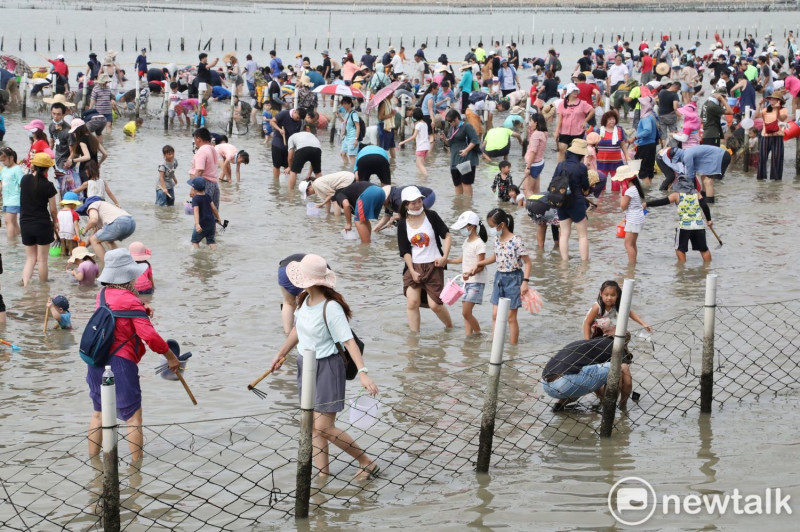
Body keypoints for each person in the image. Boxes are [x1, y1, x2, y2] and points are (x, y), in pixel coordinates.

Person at [268, 254, 379, 480]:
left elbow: (348, 341)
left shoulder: (332, 307)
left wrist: (364, 374)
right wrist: (281, 354)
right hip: (304, 364)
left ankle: (366, 462)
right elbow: (297, 330)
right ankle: (322, 475)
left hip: (328, 367)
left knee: (324, 427)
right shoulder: (303, 301)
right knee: (311, 426)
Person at [87, 248, 181, 462]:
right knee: (133, 418)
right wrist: (170, 357)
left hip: (96, 361)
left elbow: (114, 317)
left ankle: (94, 464)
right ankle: (136, 470)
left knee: (99, 414)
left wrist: (140, 311)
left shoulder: (101, 295)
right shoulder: (130, 300)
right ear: (127, 276)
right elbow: (150, 336)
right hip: (120, 362)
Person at [469, 209, 531, 346]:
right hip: (499, 278)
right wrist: (479, 263)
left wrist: (525, 283)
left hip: (514, 278)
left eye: (492, 227)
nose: (491, 230)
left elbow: (528, 262)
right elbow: (495, 257)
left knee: (510, 317)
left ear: (502, 225)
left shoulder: (516, 240)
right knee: (495, 315)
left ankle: (513, 348)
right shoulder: (497, 240)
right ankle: (496, 343)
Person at [397, 186, 453, 332]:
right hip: (413, 266)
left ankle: (450, 328)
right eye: (413, 202)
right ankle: (414, 339)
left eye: (419, 200)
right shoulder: (403, 223)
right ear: (406, 205)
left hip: (434, 264)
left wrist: (444, 257)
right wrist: (412, 271)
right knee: (412, 302)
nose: (417, 204)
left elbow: (447, 235)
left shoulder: (431, 216)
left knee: (435, 305)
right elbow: (405, 251)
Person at [542, 336, 632, 411]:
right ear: (625, 344)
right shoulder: (616, 346)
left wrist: (601, 397)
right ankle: (609, 408)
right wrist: (623, 404)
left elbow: (593, 378)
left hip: (546, 385)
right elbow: (627, 382)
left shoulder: (591, 344)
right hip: (566, 384)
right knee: (618, 368)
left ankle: (559, 405)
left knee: (580, 372)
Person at [643, 177, 713, 263]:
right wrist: (709, 220)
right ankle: (708, 268)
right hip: (699, 226)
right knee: (703, 249)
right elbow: (705, 207)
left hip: (684, 227)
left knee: (680, 249)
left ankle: (682, 268)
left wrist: (646, 204)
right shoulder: (697, 194)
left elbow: (662, 202)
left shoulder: (676, 195)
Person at [447, 211, 488, 335]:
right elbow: (464, 258)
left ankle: (478, 333)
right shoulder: (466, 242)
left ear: (472, 226)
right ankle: (469, 337)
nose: (462, 230)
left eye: (464, 227)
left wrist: (470, 273)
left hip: (476, 282)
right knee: (466, 313)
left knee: (465, 312)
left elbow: (481, 265)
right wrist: (448, 261)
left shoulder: (479, 244)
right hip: (465, 281)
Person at [552, 139, 590, 261]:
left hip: (561, 201)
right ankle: (584, 264)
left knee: (564, 234)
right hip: (576, 202)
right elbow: (585, 187)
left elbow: (553, 181)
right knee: (582, 236)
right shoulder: (581, 167)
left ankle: (564, 262)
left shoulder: (560, 165)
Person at [583, 280, 651, 340]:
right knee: (607, 322)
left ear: (617, 295)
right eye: (606, 295)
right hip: (592, 328)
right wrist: (587, 341)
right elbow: (587, 323)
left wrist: (643, 324)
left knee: (626, 334)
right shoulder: (597, 307)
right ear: (601, 294)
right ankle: (597, 339)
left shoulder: (617, 305)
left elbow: (630, 313)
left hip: (605, 326)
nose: (609, 298)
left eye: (612, 295)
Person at [78, 196, 136, 261]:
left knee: (94, 240)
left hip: (118, 222)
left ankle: (108, 265)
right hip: (131, 223)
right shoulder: (106, 208)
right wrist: (83, 247)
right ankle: (121, 260)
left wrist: (85, 230)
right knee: (108, 240)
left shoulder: (92, 205)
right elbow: (94, 235)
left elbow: (93, 220)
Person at [611, 166, 645, 265]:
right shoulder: (635, 188)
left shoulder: (629, 191)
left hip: (634, 219)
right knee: (632, 243)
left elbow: (623, 206)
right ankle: (634, 263)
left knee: (628, 244)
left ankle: (631, 265)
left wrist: (623, 193)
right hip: (637, 217)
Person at [442, 110, 480, 196]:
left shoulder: (467, 126)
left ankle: (468, 204)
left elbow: (475, 140)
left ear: (456, 118)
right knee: (457, 184)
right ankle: (459, 205)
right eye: (448, 121)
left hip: (465, 160)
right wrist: (445, 139)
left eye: (451, 121)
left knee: (466, 183)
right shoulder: (452, 128)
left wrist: (466, 150)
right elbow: (449, 143)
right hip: (454, 160)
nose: (450, 123)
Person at [754, 89, 789, 181]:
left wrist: (777, 109)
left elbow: (781, 118)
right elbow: (756, 116)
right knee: (762, 158)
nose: (772, 101)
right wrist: (759, 105)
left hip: (777, 136)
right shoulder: (766, 110)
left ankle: (776, 180)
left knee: (777, 158)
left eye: (774, 100)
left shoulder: (783, 110)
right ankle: (761, 178)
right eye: (771, 99)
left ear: (779, 101)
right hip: (766, 136)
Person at [554, 84, 594, 162]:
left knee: (577, 152)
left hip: (578, 131)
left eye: (576, 91)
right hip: (564, 131)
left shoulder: (582, 103)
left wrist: (585, 121)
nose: (575, 92)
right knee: (562, 150)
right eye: (573, 91)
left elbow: (592, 111)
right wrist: (556, 132)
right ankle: (560, 169)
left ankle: (576, 168)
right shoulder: (562, 104)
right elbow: (560, 120)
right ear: (569, 92)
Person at [67, 119, 108, 185]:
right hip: (95, 168)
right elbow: (105, 154)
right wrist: (99, 163)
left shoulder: (82, 141)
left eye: (74, 132)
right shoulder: (93, 138)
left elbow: (87, 156)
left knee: (86, 191)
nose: (74, 134)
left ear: (78, 130)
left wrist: (73, 160)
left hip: (85, 169)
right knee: (95, 189)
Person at [189, 128, 220, 209]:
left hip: (203, 186)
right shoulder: (212, 149)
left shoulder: (202, 150)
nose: (195, 142)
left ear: (198, 139)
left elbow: (199, 170)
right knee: (212, 215)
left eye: (195, 139)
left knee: (203, 215)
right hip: (214, 185)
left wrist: (193, 188)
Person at [188, 177, 222, 250]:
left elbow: (196, 211)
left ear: (194, 189)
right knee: (211, 241)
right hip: (211, 224)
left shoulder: (195, 198)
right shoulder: (208, 196)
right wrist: (218, 218)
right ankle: (215, 252)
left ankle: (197, 256)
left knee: (195, 241)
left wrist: (197, 224)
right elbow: (214, 208)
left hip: (202, 223)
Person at [633, 96, 658, 185]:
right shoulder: (653, 114)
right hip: (652, 145)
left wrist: (636, 137)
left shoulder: (645, 118)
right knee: (649, 169)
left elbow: (647, 130)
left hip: (645, 145)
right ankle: (650, 190)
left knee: (643, 170)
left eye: (642, 104)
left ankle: (646, 191)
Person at [397, 108, 430, 176]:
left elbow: (413, 136)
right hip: (426, 147)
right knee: (420, 165)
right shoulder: (425, 124)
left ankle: (427, 177)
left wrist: (402, 142)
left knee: (419, 165)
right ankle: (421, 179)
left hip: (421, 147)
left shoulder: (418, 125)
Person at [0, 147, 23, 238]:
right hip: (6, 199)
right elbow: (1, 182)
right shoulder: (4, 169)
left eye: (4, 160)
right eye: (1, 161)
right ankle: (18, 240)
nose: (3, 162)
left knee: (8, 221)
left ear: (11, 157)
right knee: (13, 222)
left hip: (15, 199)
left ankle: (11, 243)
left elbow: (22, 184)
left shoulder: (17, 169)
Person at [523, 113, 548, 196]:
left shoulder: (536, 135)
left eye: (531, 121)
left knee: (527, 190)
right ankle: (540, 207)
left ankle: (532, 208)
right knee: (536, 190)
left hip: (533, 164)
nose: (530, 123)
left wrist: (528, 167)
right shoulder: (544, 132)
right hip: (539, 162)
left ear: (536, 122)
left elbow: (533, 152)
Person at [57, 191, 82, 256]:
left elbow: (57, 225)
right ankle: (72, 265)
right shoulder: (73, 213)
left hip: (61, 235)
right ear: (73, 204)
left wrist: (55, 235)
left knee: (63, 253)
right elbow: (76, 225)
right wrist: (78, 236)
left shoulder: (59, 213)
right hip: (71, 236)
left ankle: (63, 265)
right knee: (73, 253)